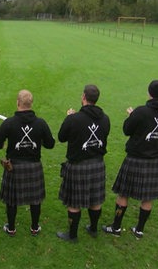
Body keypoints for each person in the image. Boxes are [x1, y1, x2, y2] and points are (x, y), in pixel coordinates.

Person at [102, 80, 158, 239]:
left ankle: (116, 228)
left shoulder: (141, 111)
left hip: (136, 158)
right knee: (148, 197)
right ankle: (139, 230)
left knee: (123, 194)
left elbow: (127, 130)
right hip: (155, 160)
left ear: (149, 93)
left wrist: (132, 116)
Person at [0, 90, 55, 237]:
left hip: (14, 167)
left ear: (17, 103)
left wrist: (4, 144)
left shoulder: (9, 123)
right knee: (35, 198)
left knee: (11, 199)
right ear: (31, 104)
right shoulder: (40, 123)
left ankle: (12, 228)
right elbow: (50, 144)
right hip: (33, 166)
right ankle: (34, 227)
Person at [56, 85, 110, 242]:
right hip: (97, 164)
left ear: (84, 97)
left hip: (78, 165)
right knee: (95, 200)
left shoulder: (74, 119)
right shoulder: (105, 118)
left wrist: (69, 118)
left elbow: (61, 137)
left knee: (74, 202)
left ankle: (72, 235)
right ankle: (93, 229)